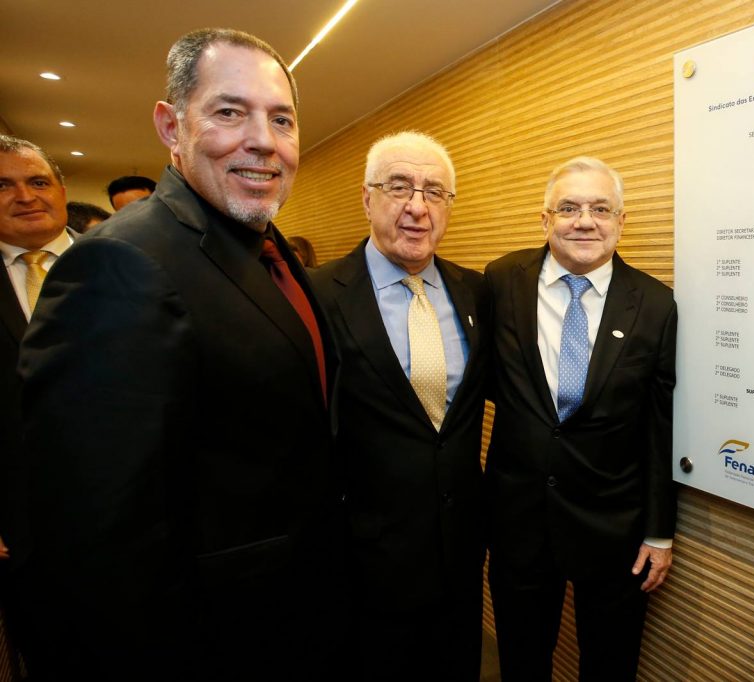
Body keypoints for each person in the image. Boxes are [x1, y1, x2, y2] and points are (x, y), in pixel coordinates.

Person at [18, 29, 340, 680]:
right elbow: (94, 544)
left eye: (281, 119)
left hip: (287, 620)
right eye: (230, 112)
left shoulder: (266, 245)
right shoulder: (121, 264)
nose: (263, 140)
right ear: (171, 126)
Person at [484, 157, 677, 681]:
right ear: (545, 219)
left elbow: (660, 427)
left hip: (615, 527)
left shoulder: (655, 304)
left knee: (610, 666)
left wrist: (660, 532)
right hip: (519, 520)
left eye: (600, 209)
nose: (584, 221)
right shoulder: (502, 281)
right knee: (521, 662)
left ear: (621, 221)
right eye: (568, 208)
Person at [310, 131, 489, 681]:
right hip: (364, 558)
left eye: (434, 191)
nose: (417, 206)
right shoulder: (317, 295)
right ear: (367, 198)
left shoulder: (477, 292)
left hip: (459, 553)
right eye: (399, 187)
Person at [0, 134, 76, 674]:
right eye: (3, 185)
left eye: (37, 181)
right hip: (23, 532)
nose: (25, 196)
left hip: (149, 523)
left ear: (61, 190)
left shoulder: (134, 259)